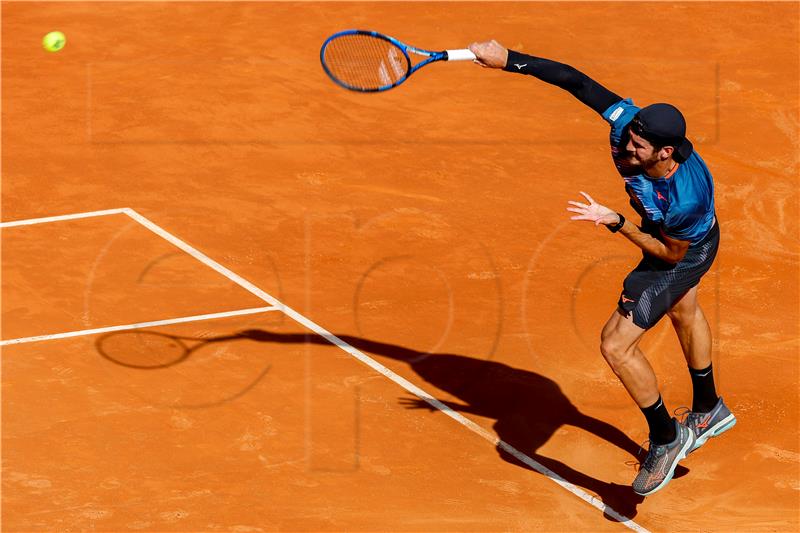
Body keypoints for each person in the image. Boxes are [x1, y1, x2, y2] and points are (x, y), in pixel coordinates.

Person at [468, 40, 736, 496]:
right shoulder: (630, 125)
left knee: (616, 345)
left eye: (639, 144)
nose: (628, 144)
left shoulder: (684, 199)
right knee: (683, 310)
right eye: (631, 135)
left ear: (666, 153)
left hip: (681, 249)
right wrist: (508, 60)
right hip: (669, 234)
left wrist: (615, 223)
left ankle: (667, 438)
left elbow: (670, 255)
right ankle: (710, 408)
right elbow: (574, 80)